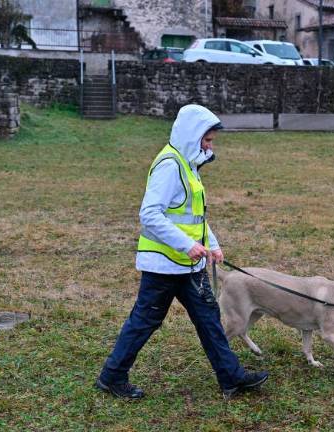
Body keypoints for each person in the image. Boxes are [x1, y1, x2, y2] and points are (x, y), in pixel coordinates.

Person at [96, 104, 269, 399]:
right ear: (192, 135)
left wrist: (211, 245)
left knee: (208, 317)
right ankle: (112, 377)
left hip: (188, 265)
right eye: (207, 140)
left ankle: (231, 378)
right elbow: (150, 214)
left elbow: (194, 217)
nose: (209, 145)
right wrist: (186, 245)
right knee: (144, 321)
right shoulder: (170, 165)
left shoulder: (187, 164)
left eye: (211, 141)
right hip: (163, 265)